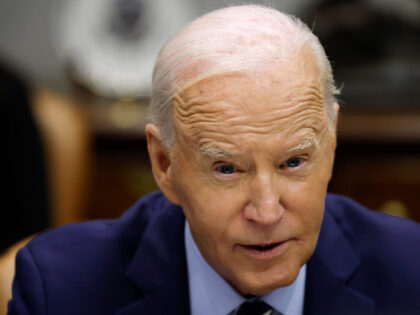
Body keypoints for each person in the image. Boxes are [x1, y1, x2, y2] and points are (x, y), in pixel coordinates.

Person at [8, 5, 420, 315]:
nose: (266, 211)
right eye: (227, 169)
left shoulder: (410, 274)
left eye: (293, 163)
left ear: (330, 145)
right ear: (164, 165)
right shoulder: (61, 290)